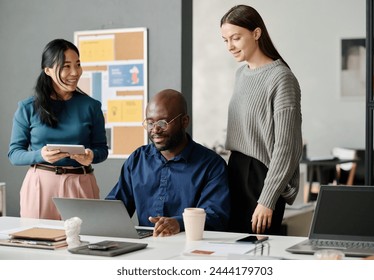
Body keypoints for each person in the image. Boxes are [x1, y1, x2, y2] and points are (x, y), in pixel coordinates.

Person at [220, 5, 302, 235]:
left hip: (261, 176)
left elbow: (286, 147)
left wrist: (267, 199)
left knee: (258, 253)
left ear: (256, 33)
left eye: (236, 38)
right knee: (231, 252)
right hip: (235, 170)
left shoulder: (281, 78)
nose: (230, 46)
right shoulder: (241, 74)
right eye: (225, 40)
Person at [106, 89, 230, 237]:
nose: (155, 130)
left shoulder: (211, 165)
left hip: (190, 246)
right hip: (146, 247)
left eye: (163, 123)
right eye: (150, 123)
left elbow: (216, 215)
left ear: (184, 121)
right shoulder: (138, 159)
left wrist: (179, 223)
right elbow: (116, 207)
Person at [8, 39, 108, 220]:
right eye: (66, 66)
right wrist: (41, 155)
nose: (75, 72)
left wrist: (91, 156)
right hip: (41, 184)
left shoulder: (91, 106)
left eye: (78, 65)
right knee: (37, 243)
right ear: (48, 70)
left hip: (81, 183)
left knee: (84, 242)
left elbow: (102, 149)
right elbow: (14, 154)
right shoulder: (28, 107)